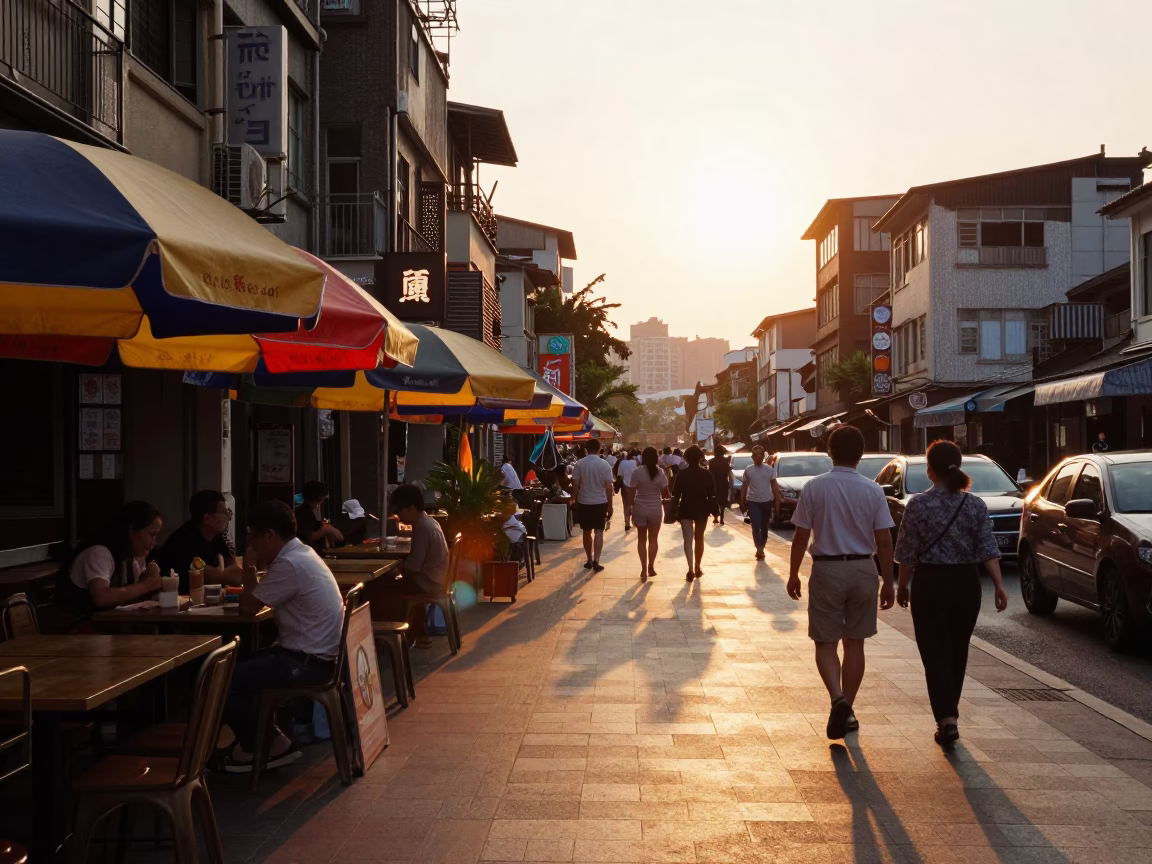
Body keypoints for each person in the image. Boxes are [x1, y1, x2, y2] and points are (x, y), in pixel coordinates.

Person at [895, 440, 1008, 747]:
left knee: (934, 653)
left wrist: (902, 585)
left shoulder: (918, 505)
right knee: (958, 651)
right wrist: (998, 585)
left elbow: (906, 553)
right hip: (965, 584)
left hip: (930, 583)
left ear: (930, 471)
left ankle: (947, 718)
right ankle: (950, 716)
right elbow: (988, 548)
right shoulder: (975, 505)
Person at [220, 501, 345, 772]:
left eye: (252, 537)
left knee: (222, 680)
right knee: (241, 664)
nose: (251, 544)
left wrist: (249, 567)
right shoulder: (303, 553)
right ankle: (258, 739)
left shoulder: (289, 563)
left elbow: (247, 608)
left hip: (306, 664)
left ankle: (267, 746)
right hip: (315, 656)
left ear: (270, 536)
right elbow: (254, 601)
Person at [787, 425, 895, 740]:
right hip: (863, 568)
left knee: (825, 643)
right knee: (855, 643)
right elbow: (884, 541)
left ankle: (837, 698)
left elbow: (801, 534)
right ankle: (847, 708)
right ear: (861, 454)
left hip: (827, 569)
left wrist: (793, 572)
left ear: (829, 451)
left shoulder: (814, 487)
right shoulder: (873, 489)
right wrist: (888, 581)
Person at [54, 501, 165, 628]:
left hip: (104, 630)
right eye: (152, 535)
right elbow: (101, 597)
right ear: (132, 530)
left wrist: (150, 575)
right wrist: (146, 586)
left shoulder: (132, 557)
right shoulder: (99, 553)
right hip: (74, 631)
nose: (154, 542)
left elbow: (132, 595)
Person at [383, 484, 451, 648]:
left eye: (399, 511)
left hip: (429, 582)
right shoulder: (430, 522)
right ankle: (418, 634)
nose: (398, 516)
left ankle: (395, 635)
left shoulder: (422, 527)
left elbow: (413, 567)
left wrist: (395, 570)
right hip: (436, 578)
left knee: (383, 587)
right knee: (401, 585)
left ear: (411, 508)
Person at [154, 490, 241, 593]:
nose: (227, 518)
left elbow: (235, 571)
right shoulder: (183, 541)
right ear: (207, 518)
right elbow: (214, 576)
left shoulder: (216, 536)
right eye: (224, 513)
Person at [670, 445, 718, 580]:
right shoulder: (706, 474)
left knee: (687, 539)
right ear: (700, 458)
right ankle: (698, 566)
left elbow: (675, 494)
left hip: (685, 508)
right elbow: (712, 494)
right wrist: (716, 511)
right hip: (702, 509)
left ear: (686, 458)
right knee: (699, 538)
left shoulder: (682, 474)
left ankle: (690, 568)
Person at [571, 438, 614, 572]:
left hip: (584, 501)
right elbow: (608, 487)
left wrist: (574, 498)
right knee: (599, 531)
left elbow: (575, 484)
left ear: (586, 449)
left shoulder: (579, 464)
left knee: (586, 531)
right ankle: (597, 560)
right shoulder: (604, 465)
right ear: (599, 449)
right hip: (600, 501)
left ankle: (589, 559)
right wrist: (610, 505)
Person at [630, 447, 669, 581]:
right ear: (656, 458)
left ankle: (643, 569)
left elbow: (631, 491)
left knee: (641, 539)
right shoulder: (660, 472)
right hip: (655, 509)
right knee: (653, 539)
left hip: (640, 506)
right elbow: (665, 490)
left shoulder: (637, 472)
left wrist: (630, 508)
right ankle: (651, 567)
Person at [740, 446, 778, 560]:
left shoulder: (769, 470)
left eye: (760, 454)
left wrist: (777, 500)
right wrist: (742, 501)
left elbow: (774, 486)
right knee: (755, 525)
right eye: (755, 454)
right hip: (753, 501)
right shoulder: (748, 470)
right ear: (752, 457)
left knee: (764, 526)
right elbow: (744, 486)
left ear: (763, 456)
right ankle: (759, 548)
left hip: (766, 501)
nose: (758, 456)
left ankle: (762, 547)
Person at [294, 480, 343, 553]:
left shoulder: (307, 510)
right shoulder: (302, 512)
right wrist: (328, 529)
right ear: (319, 497)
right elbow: (309, 537)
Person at [708, 445, 734, 526]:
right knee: (723, 501)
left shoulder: (711, 461)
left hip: (714, 483)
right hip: (723, 482)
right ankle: (722, 516)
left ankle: (716, 517)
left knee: (714, 500)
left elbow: (710, 473)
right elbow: (728, 473)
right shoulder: (726, 461)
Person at [616, 448, 639, 531]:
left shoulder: (623, 463)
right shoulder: (637, 463)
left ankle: (626, 522)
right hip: (636, 487)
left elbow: (620, 475)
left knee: (626, 504)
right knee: (635, 504)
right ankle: (634, 520)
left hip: (625, 486)